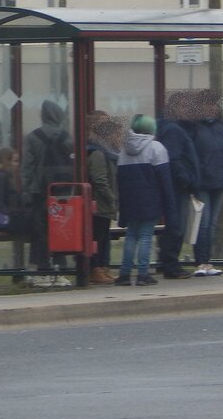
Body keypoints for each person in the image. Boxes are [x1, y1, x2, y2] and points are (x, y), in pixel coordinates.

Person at [115, 114, 175, 286]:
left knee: (131, 235)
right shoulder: (156, 148)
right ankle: (143, 274)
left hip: (130, 200)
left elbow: (120, 178)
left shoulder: (123, 149)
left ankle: (124, 274)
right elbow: (164, 179)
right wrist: (169, 204)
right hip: (150, 199)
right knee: (146, 236)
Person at [185, 90, 223, 276]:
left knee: (212, 223)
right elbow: (190, 155)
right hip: (202, 183)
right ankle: (200, 261)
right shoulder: (193, 127)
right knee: (203, 223)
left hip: (219, 182)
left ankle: (207, 261)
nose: (212, 108)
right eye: (208, 104)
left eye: (214, 104)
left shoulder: (220, 126)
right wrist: (195, 177)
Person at [22, 100, 74, 284]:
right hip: (62, 192)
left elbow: (27, 168)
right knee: (59, 227)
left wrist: (26, 191)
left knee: (40, 231)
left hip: (39, 191)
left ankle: (40, 269)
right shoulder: (67, 137)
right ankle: (60, 268)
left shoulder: (32, 137)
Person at [155, 91, 202, 279]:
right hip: (176, 186)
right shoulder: (173, 129)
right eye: (184, 107)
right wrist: (186, 180)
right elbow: (173, 158)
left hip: (176, 184)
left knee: (175, 225)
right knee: (175, 225)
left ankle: (168, 262)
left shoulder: (175, 127)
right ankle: (170, 265)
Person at [85, 112, 121, 285]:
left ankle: (102, 267)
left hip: (104, 204)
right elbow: (100, 180)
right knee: (97, 236)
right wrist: (111, 198)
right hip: (99, 204)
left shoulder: (107, 151)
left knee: (102, 236)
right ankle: (95, 269)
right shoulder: (97, 153)